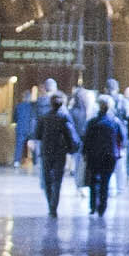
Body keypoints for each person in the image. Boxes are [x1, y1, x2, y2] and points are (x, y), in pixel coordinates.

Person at [32, 82, 76, 216]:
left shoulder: (44, 118)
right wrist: (70, 148)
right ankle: (54, 206)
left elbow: (38, 135)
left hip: (46, 151)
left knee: (47, 179)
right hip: (60, 152)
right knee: (57, 180)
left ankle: (50, 204)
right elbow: (70, 134)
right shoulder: (65, 118)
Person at [77, 90, 124, 214]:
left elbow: (86, 139)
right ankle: (102, 207)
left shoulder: (92, 123)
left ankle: (93, 206)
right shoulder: (115, 123)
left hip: (94, 155)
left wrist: (84, 154)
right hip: (110, 155)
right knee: (105, 181)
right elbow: (121, 138)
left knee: (93, 180)